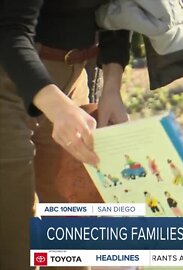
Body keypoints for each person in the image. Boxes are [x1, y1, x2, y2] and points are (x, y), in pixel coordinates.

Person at [0, 0, 130, 269]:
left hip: (72, 74)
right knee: (17, 237)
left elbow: (120, 9)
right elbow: (8, 28)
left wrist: (112, 86)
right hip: (9, 70)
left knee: (70, 230)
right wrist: (57, 108)